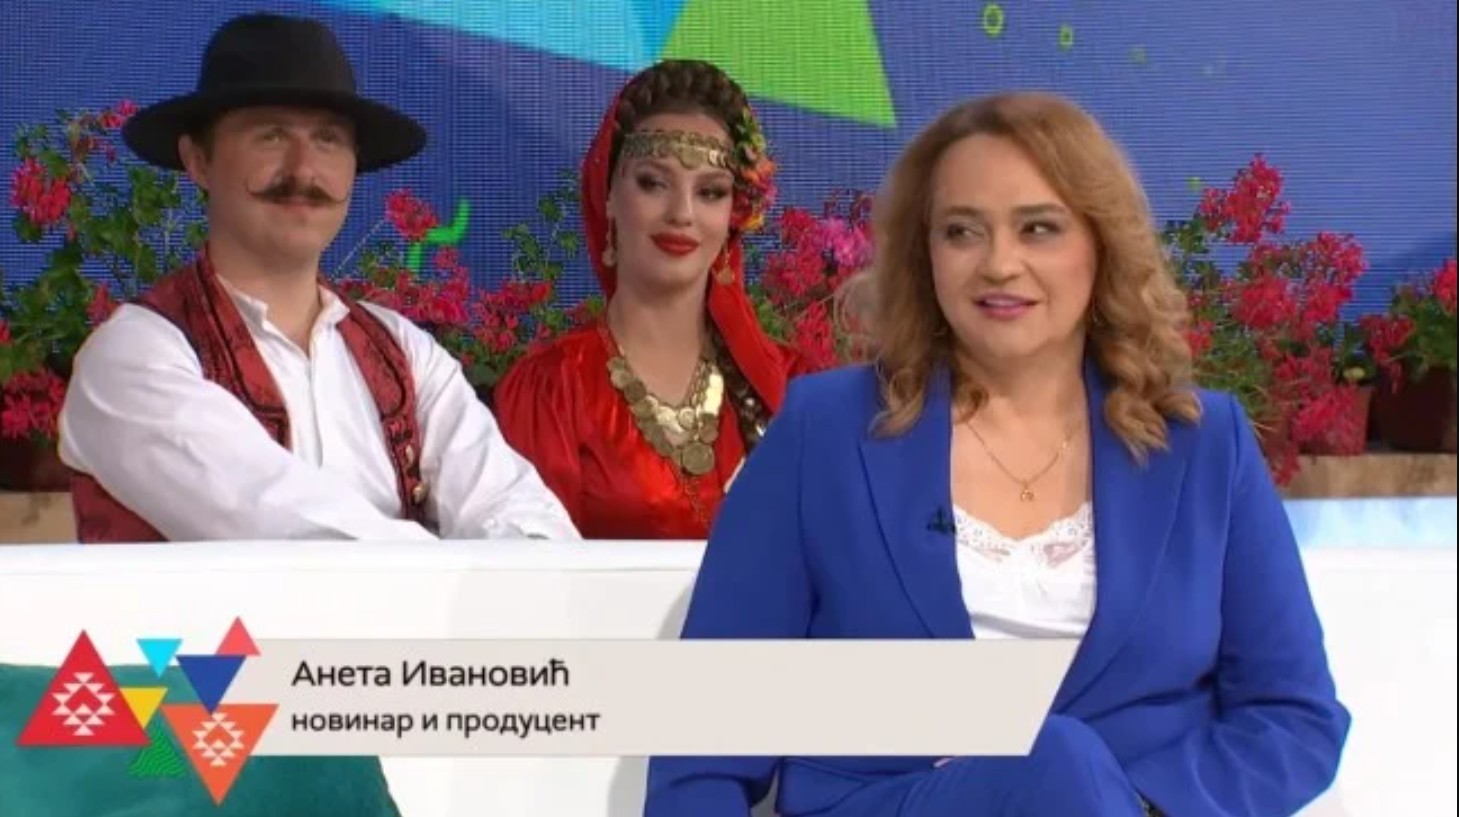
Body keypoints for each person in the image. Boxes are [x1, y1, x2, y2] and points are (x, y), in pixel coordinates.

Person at [644, 92, 1349, 816]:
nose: (999, 264)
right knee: (1054, 760)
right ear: (925, 254)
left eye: (1038, 229)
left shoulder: (1203, 446)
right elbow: (704, 737)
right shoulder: (823, 433)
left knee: (1060, 763)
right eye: (962, 232)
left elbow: (1293, 719)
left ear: (1100, 244)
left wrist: (1117, 800)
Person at [58, 13, 579, 543]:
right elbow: (295, 538)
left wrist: (528, 566)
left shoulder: (405, 353)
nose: (304, 170)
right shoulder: (134, 355)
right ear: (199, 161)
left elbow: (525, 517)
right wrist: (478, 571)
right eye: (271, 135)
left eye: (328, 139)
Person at [492, 60, 807, 540]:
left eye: (711, 192)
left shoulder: (795, 386)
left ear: (734, 214)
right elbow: (536, 574)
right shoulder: (553, 391)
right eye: (653, 183)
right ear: (608, 193)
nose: (682, 213)